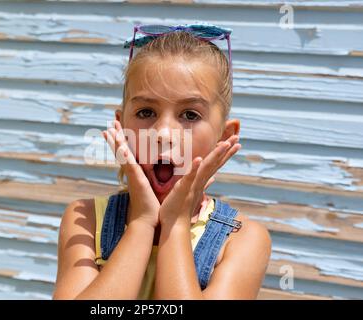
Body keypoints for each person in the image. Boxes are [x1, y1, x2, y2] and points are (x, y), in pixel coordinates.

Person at [53, 25, 272, 300]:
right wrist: (142, 223)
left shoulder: (242, 239)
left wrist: (176, 225)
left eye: (190, 115)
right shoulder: (85, 220)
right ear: (121, 129)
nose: (163, 133)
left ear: (223, 137)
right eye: (146, 111)